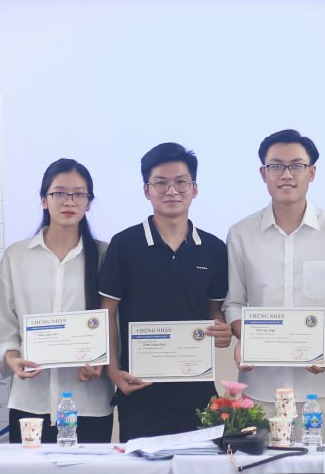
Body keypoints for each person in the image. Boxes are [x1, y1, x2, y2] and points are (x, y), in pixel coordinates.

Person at [224, 129, 325, 443]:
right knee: (256, 464)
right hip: (259, 387)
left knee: (317, 464)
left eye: (296, 165)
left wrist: (324, 339)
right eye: (276, 166)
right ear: (263, 173)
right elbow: (234, 302)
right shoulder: (241, 234)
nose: (286, 175)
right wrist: (246, 339)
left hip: (319, 389)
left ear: (312, 172)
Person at [99, 142, 232, 440]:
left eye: (181, 182)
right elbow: (108, 311)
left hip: (196, 388)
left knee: (200, 461)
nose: (172, 191)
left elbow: (213, 310)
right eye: (160, 183)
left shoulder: (213, 248)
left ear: (194, 189)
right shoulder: (124, 244)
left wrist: (222, 329)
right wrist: (113, 370)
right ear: (146, 190)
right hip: (139, 388)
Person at [0, 159, 115, 443]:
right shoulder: (17, 256)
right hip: (30, 401)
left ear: (89, 202)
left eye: (79, 194)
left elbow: (114, 323)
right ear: (43, 200)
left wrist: (102, 361)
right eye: (59, 193)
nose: (69, 201)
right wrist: (12, 357)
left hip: (89, 402)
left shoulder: (105, 256)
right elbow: (5, 326)